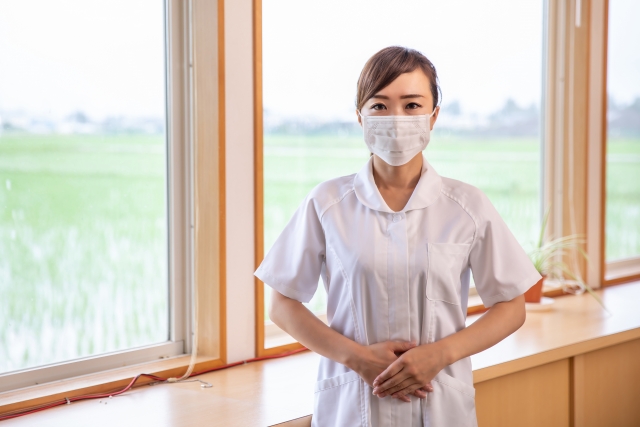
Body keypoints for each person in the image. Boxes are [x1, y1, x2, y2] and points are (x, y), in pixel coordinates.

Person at [254, 46, 542, 427]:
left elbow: (512, 306)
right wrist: (357, 358)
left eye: (411, 105)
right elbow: (281, 304)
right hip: (354, 406)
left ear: (433, 116)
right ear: (360, 116)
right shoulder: (326, 204)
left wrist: (440, 354)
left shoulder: (467, 207)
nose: (396, 118)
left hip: (440, 406)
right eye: (379, 105)